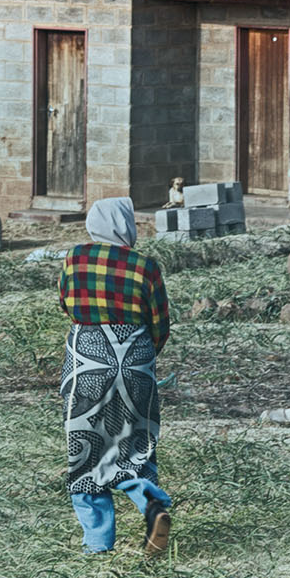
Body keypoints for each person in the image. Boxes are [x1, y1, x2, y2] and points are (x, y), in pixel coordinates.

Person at [57, 197, 173, 555]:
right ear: (126, 226)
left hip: (87, 359)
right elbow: (160, 323)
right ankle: (151, 507)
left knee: (86, 449)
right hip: (135, 360)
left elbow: (65, 303)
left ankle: (97, 543)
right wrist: (139, 353)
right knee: (135, 443)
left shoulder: (74, 259)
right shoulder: (146, 267)